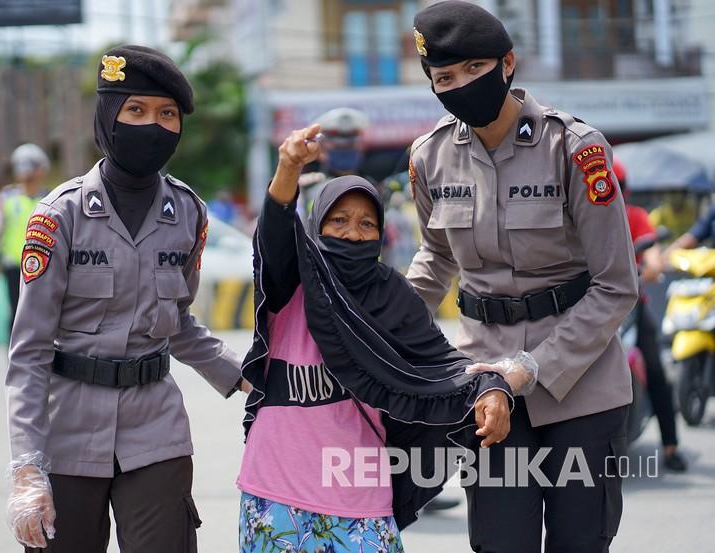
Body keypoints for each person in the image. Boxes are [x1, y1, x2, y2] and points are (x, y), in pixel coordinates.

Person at [406, 3, 639, 552]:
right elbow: (436, 257)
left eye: (474, 69)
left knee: (579, 542)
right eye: (444, 78)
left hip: (580, 385)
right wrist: (376, 331)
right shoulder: (430, 156)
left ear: (508, 64)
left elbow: (615, 284)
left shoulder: (576, 149)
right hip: (484, 383)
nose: (460, 85)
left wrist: (532, 368)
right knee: (500, 541)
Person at [236, 124, 534, 552]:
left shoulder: (393, 296)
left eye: (365, 224)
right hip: (276, 495)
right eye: (338, 221)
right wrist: (287, 168)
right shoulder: (292, 282)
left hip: (360, 496)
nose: (353, 233)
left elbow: (441, 365)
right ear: (317, 225)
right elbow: (274, 234)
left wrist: (491, 386)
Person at [4, 45, 248, 553]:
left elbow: (176, 322)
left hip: (155, 428)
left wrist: (246, 376)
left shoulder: (188, 214)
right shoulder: (59, 216)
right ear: (108, 116)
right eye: (135, 110)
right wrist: (27, 468)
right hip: (66, 432)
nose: (152, 126)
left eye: (167, 115)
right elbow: (29, 351)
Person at [614, 160, 687, 472]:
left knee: (656, 371)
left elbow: (653, 254)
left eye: (612, 186)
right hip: (588, 309)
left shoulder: (636, 217)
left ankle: (670, 447)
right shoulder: (578, 215)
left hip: (632, 307)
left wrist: (652, 266)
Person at [0, 143, 51, 334]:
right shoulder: (7, 197)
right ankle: (14, 360)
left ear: (40, 169)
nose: (22, 169)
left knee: (43, 314)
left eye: (28, 164)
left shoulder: (50, 198)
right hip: (13, 265)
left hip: (44, 267)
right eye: (18, 164)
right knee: (16, 313)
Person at [297, 107, 370, 223]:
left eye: (350, 145)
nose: (345, 151)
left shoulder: (372, 188)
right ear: (322, 149)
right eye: (338, 147)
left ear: (361, 147)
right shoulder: (305, 188)